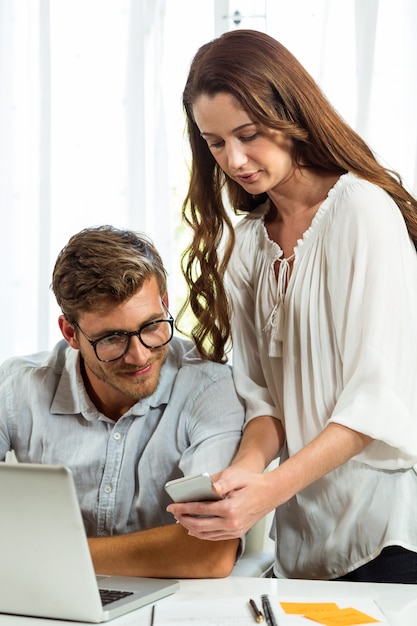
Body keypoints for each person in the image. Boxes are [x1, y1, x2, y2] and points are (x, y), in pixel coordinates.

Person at [167, 29, 417, 583]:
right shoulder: (250, 245)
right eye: (214, 142)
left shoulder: (361, 211)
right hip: (302, 545)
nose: (234, 159)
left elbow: (379, 400)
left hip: (388, 535)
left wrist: (269, 490)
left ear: (291, 113)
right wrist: (242, 477)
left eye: (248, 134)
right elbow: (265, 403)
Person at [0, 225, 245, 578]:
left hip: (175, 607)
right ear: (71, 333)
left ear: (164, 303)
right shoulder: (18, 388)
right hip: (49, 600)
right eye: (112, 338)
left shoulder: (209, 387)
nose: (139, 355)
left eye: (151, 326)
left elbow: (210, 552)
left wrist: (41, 558)